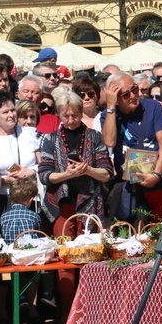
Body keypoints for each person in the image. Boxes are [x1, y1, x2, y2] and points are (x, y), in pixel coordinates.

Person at [38, 91, 112, 237]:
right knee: (63, 245)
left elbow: (107, 173)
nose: (71, 120)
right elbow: (44, 175)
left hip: (90, 201)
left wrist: (88, 170)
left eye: (75, 115)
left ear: (81, 112)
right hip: (62, 203)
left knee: (89, 247)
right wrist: (67, 175)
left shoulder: (94, 136)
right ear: (58, 115)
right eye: (66, 116)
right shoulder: (50, 139)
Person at [101, 71, 162, 222]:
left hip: (155, 181)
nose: (133, 96)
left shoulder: (153, 107)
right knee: (130, 235)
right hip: (127, 185)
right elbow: (110, 142)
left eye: (135, 89)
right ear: (116, 99)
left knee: (158, 230)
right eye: (126, 94)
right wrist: (111, 107)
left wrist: (156, 175)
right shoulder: (108, 115)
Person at [0, 91, 40, 235]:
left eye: (13, 110)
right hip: (0, 201)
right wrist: (3, 180)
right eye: (5, 112)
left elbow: (44, 164)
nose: (11, 115)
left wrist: (30, 171)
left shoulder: (29, 133)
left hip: (29, 198)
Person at [1, 175, 43, 323]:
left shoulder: (4, 217)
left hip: (11, 258)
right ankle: (33, 308)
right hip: (30, 257)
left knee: (10, 280)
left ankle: (12, 310)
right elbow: (38, 237)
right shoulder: (34, 216)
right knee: (34, 277)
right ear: (30, 199)